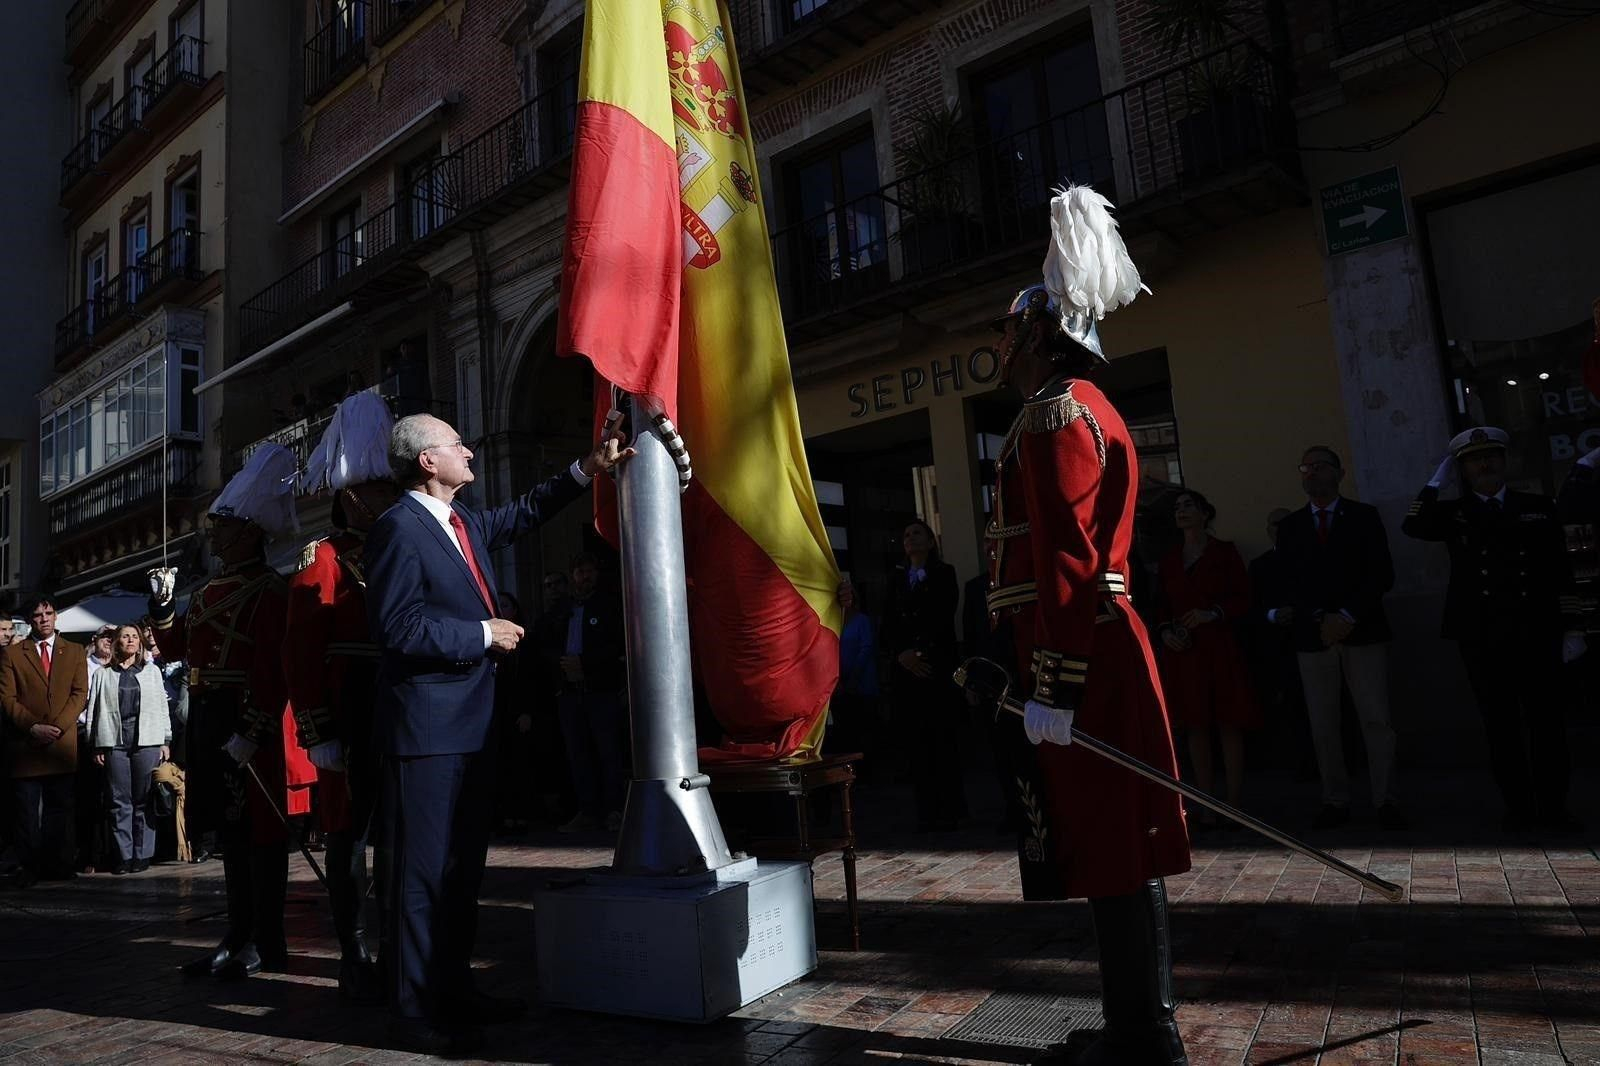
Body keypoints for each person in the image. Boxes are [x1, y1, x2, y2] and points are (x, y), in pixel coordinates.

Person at [981, 186, 1189, 1065]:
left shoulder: (1057, 413)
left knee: (1110, 847)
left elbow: (1067, 561)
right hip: (1098, 647)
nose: (1002, 347)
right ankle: (1144, 1025)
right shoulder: (1090, 408)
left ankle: (1143, 1038)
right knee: (1121, 847)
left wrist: (1052, 684)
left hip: (1083, 658)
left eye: (1009, 331)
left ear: (1036, 335)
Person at [365, 412, 630, 1054]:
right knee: (421, 876)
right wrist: (484, 633)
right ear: (427, 461)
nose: (467, 448)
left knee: (463, 871)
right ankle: (411, 1008)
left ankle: (454, 988)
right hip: (428, 731)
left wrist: (587, 467)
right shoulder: (398, 529)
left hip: (473, 724)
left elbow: (523, 512)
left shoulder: (462, 524)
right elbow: (398, 628)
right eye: (456, 443)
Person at [148, 444, 318, 981]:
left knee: (259, 837)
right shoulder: (205, 592)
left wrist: (256, 728)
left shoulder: (271, 590)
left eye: (221, 526)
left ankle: (267, 941)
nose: (214, 534)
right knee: (227, 834)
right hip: (207, 718)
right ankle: (237, 933)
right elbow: (176, 648)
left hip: (247, 723)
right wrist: (162, 607)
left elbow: (276, 669)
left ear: (247, 531)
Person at [1401, 427, 1585, 831]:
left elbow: (1559, 569)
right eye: (1473, 460)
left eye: (1491, 457)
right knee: (1501, 727)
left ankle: (1554, 808)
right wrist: (1436, 482)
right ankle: (1518, 809)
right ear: (1462, 469)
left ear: (1506, 461)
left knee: (1547, 725)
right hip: (1483, 635)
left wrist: (1573, 626)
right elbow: (1413, 526)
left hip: (1537, 630)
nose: (1484, 465)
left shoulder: (1537, 506)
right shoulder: (1454, 513)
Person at [282, 390, 398, 1004]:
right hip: (347, 716)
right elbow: (300, 654)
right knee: (349, 837)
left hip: (399, 710)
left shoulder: (401, 545)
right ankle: (354, 951)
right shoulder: (322, 558)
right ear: (351, 495)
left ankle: (402, 948)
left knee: (401, 834)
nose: (388, 499)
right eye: (377, 489)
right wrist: (318, 730)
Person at [1271, 445, 1402, 831]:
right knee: (1323, 722)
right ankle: (1335, 799)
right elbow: (1289, 580)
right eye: (1304, 467)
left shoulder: (1363, 517)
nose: (1311, 473)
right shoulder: (1292, 527)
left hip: (1363, 631)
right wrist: (1318, 618)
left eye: (1319, 466)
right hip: (1314, 638)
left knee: (1376, 719)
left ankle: (1387, 799)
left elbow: (1381, 574)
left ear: (1339, 473)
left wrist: (1346, 616)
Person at [1154, 490, 1260, 823]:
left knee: (1228, 721)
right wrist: (1165, 632)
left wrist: (1212, 613)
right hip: (1184, 653)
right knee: (1194, 724)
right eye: (1177, 508)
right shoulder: (1169, 560)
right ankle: (1207, 803)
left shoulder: (1224, 552)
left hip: (1219, 647)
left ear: (1205, 513)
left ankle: (1234, 802)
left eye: (1188, 506)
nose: (1181, 512)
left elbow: (1244, 598)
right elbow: (1160, 604)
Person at [881, 520, 966, 831]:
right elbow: (888, 623)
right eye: (905, 534)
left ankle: (951, 810)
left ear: (931, 540)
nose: (910, 539)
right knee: (916, 742)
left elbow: (942, 615)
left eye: (917, 533)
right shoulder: (896, 579)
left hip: (935, 667)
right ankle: (926, 811)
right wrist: (902, 655)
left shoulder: (945, 573)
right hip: (906, 671)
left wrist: (918, 653)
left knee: (942, 738)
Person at [0, 599, 90, 887]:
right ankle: (30, 866)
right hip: (27, 744)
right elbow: (7, 699)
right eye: (37, 616)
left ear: (55, 616)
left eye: (48, 613)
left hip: (61, 744)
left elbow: (80, 694)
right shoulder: (13, 654)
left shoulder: (74, 651)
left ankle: (59, 864)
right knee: (26, 812)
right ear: (30, 621)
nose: (44, 619)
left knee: (60, 810)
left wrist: (58, 726)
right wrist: (33, 727)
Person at [537, 552, 628, 835]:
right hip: (569, 691)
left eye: (588, 571)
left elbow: (617, 645)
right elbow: (544, 643)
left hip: (600, 689)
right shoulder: (562, 609)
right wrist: (563, 664)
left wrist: (585, 663)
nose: (583, 576)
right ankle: (587, 811)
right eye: (578, 572)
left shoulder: (609, 605)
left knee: (608, 752)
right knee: (578, 754)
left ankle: (614, 811)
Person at [87, 624, 172, 874]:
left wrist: (165, 740)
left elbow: (162, 706)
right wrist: (95, 744)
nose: (131, 640)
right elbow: (94, 710)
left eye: (135, 636)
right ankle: (123, 855)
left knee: (144, 798)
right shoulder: (103, 674)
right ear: (117, 642)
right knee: (118, 800)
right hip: (114, 740)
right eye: (125, 636)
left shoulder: (151, 672)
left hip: (146, 739)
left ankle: (142, 854)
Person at [827, 576, 880, 768]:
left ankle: (869, 771)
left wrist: (853, 679)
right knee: (845, 731)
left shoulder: (861, 621)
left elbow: (866, 649)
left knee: (864, 730)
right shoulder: (834, 623)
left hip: (862, 685)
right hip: (840, 686)